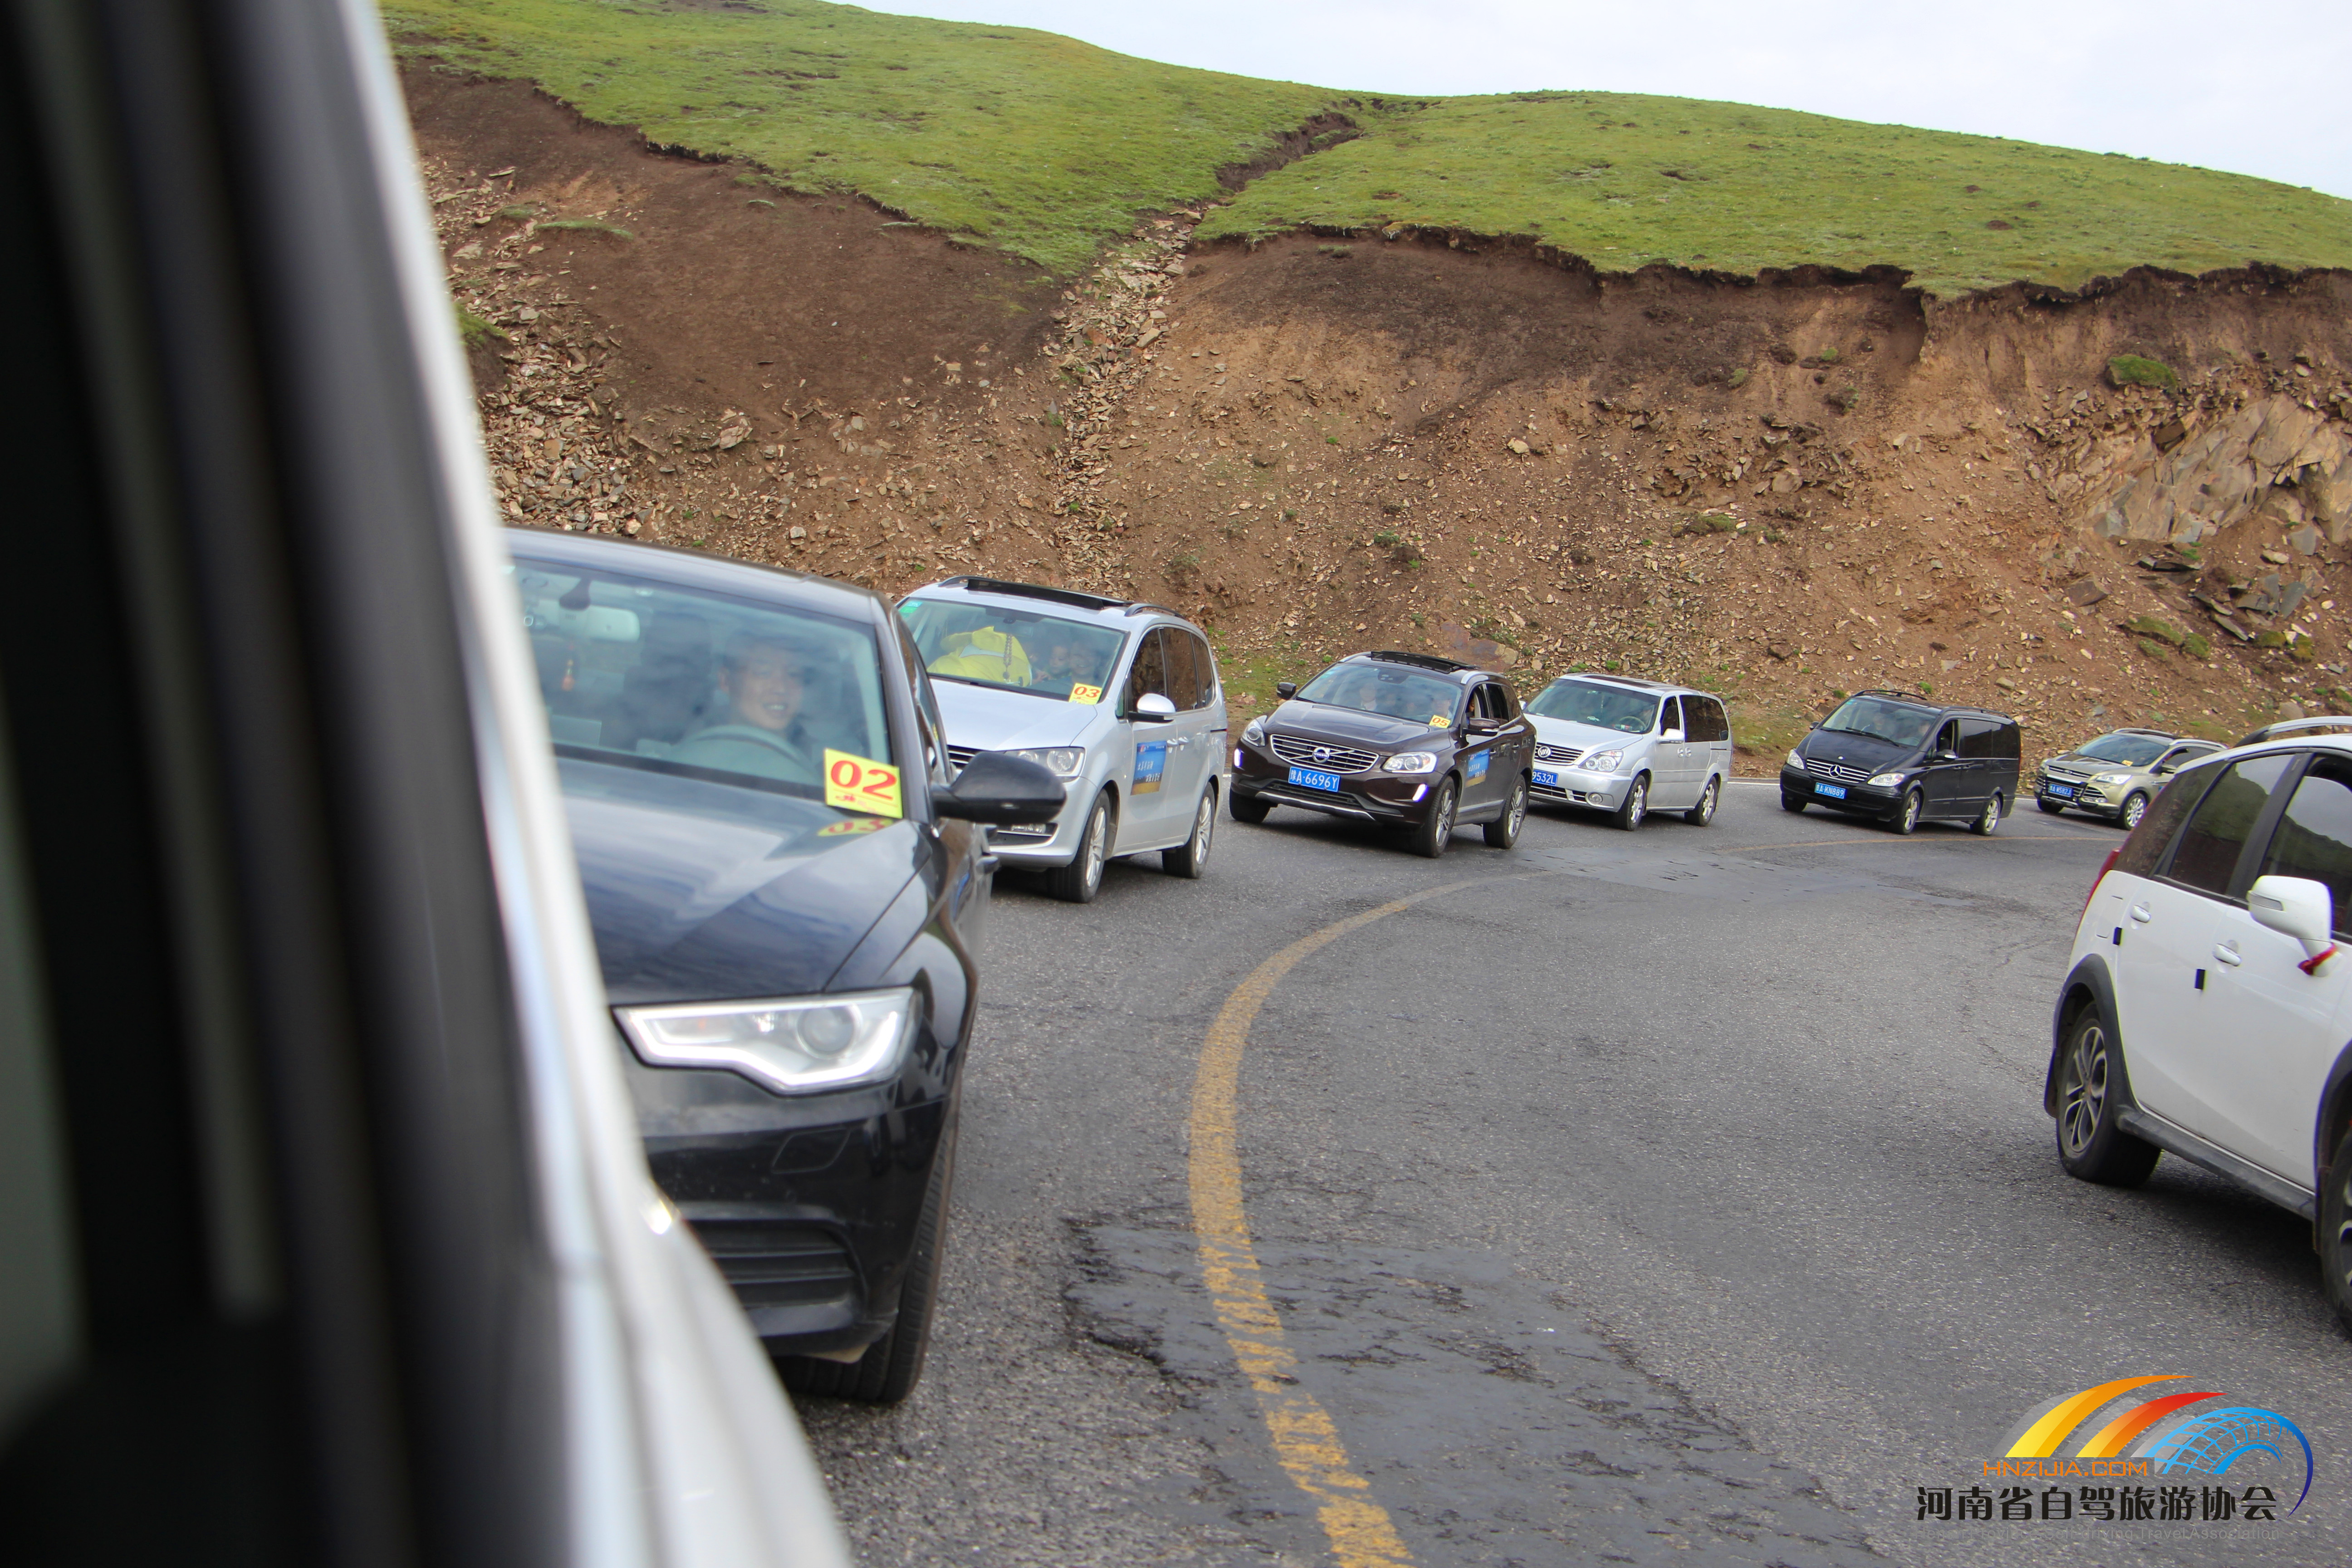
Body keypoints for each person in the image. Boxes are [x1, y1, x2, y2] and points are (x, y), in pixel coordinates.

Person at [671, 632, 825, 784]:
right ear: (725, 681)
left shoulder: (823, 763)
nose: (781, 688)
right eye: (764, 673)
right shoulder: (682, 752)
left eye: (794, 674)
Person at [927, 617, 1031, 685]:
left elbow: (946, 644)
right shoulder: (1026, 674)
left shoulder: (994, 634)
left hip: (938, 677)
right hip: (976, 698)